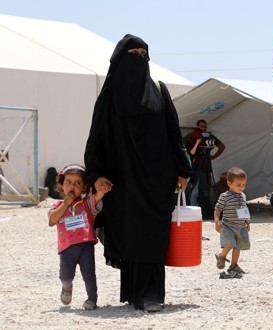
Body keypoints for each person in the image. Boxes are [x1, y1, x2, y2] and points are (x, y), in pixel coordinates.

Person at [84, 34, 192, 312]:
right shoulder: (109, 96)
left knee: (153, 232)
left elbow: (172, 130)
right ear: (120, 59)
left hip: (158, 177)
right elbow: (96, 136)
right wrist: (95, 174)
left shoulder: (158, 88)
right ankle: (135, 293)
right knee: (130, 231)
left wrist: (182, 169)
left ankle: (152, 294)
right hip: (121, 179)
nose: (139, 58)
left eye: (144, 53)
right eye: (134, 53)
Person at [48, 164, 111, 310]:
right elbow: (52, 219)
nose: (72, 186)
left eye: (78, 183)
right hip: (66, 249)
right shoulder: (57, 205)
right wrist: (66, 204)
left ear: (84, 187)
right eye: (68, 182)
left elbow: (97, 197)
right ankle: (67, 286)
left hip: (85, 246)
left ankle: (92, 299)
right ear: (62, 185)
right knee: (66, 275)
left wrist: (102, 190)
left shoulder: (87, 203)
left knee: (89, 274)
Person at [186, 119, 225, 219]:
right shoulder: (191, 137)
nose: (203, 128)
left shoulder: (210, 136)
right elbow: (189, 152)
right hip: (195, 166)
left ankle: (208, 211)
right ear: (197, 126)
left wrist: (213, 156)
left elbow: (222, 146)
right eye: (201, 126)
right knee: (194, 189)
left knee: (206, 188)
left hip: (205, 165)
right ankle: (193, 213)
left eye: (205, 126)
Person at [214, 167, 251, 274]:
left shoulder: (243, 196)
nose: (241, 187)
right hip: (228, 225)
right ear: (229, 183)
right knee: (230, 243)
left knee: (238, 246)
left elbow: (244, 209)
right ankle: (221, 256)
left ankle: (234, 265)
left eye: (243, 185)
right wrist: (217, 221)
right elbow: (217, 208)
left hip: (240, 226)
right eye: (238, 185)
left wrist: (247, 221)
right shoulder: (225, 196)